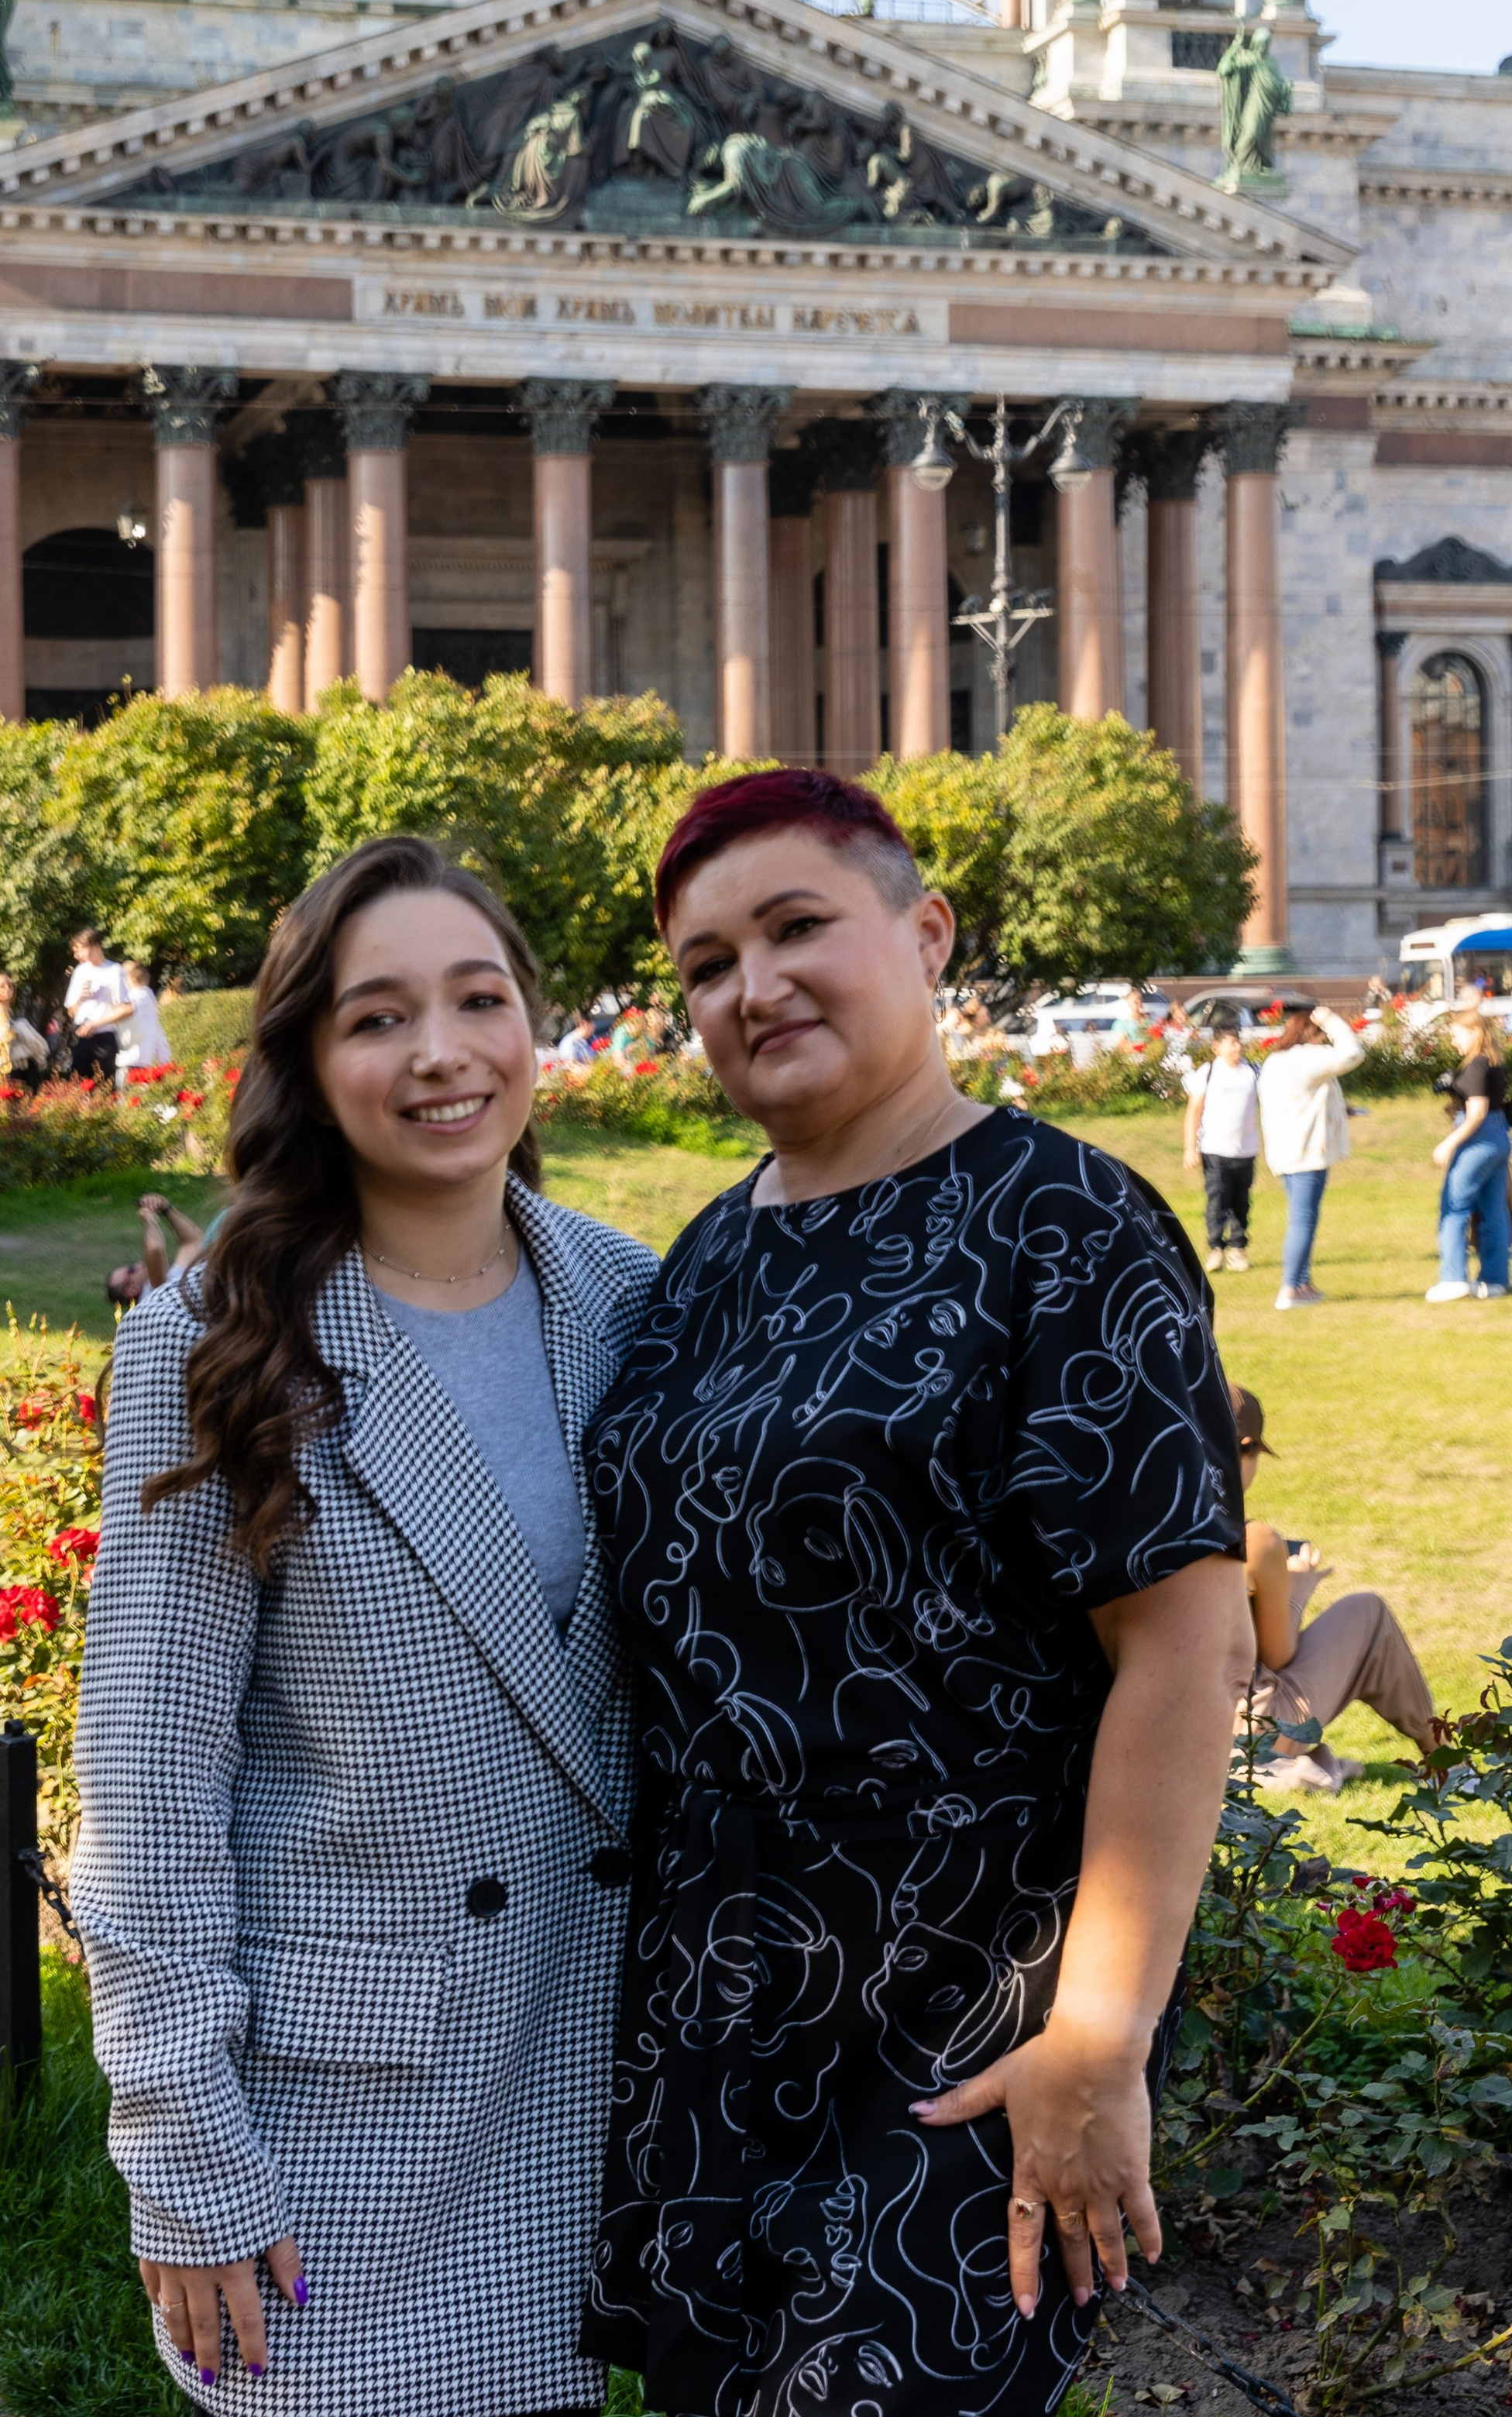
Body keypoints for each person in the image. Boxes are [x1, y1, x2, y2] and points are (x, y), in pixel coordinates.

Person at [581, 768, 1253, 2417]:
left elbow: (1180, 1646)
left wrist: (1096, 2038)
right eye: (705, 964)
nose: (754, 986)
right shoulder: (694, 1270)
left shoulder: (1063, 1227)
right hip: (712, 2017)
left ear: (923, 931)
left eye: (796, 925)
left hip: (967, 2024)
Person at [71, 834, 660, 2415]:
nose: (442, 1054)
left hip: (596, 2078)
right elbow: (145, 1788)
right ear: (307, 1061)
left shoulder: (630, 1300)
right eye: (377, 1016)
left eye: (479, 1000)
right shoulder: (217, 1342)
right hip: (344, 2122)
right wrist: (182, 2150)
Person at [1233, 1385, 1438, 1793]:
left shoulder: (1139, 1522)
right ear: (1246, 1449)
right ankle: (1447, 1758)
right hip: (1243, 1738)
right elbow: (1279, 1654)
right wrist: (1296, 1587)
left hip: (1155, 1725)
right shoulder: (1255, 1542)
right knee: (1368, 1613)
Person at [1257, 1004, 1364, 1309]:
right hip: (1306, 1153)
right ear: (1311, 1033)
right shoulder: (1307, 1057)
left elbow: (1300, 1101)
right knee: (1303, 1220)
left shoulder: (1275, 1061)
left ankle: (1303, 1284)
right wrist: (1332, 1020)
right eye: (1321, 1035)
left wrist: (1341, 1112)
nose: (1324, 1041)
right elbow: (1352, 1053)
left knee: (1302, 1218)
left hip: (1284, 1151)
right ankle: (1290, 1288)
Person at [1426, 1005, 1510, 1300]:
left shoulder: (1476, 1066)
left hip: (1478, 1140)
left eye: (1456, 1035)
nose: (1453, 1042)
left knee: (1454, 1208)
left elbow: (1476, 1114)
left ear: (1474, 1032)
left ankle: (1453, 1280)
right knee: (1495, 1212)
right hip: (1499, 1138)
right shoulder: (1495, 1062)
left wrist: (1448, 1143)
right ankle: (1496, 1280)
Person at [1182, 1014, 1261, 1272]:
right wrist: (1189, 1147)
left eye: (1237, 1042)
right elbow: (1194, 1112)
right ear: (1216, 1048)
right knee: (1217, 1200)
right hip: (1215, 1149)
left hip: (1246, 1150)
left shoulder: (1252, 1071)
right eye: (1229, 1043)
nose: (1236, 1047)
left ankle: (1238, 1249)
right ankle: (1215, 1248)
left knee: (1241, 1201)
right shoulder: (1208, 1073)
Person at [104, 1191, 205, 1310]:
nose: (138, 1264)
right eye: (131, 1270)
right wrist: (149, 1219)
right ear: (132, 1290)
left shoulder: (167, 1282)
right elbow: (154, 1249)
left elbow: (194, 1242)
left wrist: (165, 1207)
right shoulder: (153, 1298)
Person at [64, 927, 131, 1088]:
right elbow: (71, 1011)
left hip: (104, 1038)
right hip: (81, 1037)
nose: (76, 956)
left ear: (94, 946)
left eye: (79, 950)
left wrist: (96, 1024)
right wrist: (80, 998)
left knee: (104, 1087)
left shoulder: (114, 971)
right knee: (77, 1088)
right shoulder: (79, 972)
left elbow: (126, 1009)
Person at [117, 960, 173, 1074]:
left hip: (131, 1057)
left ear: (131, 980)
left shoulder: (136, 997)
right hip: (142, 1058)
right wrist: (164, 1059)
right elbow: (157, 1031)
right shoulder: (148, 999)